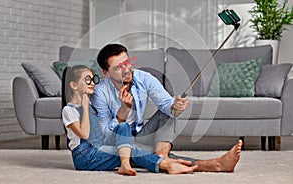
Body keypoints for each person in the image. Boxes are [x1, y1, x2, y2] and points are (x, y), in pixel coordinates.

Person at [91, 43, 243, 172]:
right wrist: (123, 111)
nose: (126, 69)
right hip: (118, 142)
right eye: (118, 67)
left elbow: (167, 106)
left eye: (127, 62)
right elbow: (105, 136)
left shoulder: (144, 78)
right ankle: (214, 165)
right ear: (106, 73)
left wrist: (175, 107)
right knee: (139, 153)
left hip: (141, 135)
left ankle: (162, 158)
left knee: (167, 113)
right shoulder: (100, 92)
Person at [61, 65, 198, 175]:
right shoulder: (69, 110)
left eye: (93, 79)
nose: (92, 83)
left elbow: (101, 133)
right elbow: (84, 134)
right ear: (73, 85)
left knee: (123, 128)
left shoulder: (90, 104)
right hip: (85, 157)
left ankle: (125, 164)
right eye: (87, 80)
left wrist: (111, 75)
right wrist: (84, 108)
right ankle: (165, 164)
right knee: (129, 150)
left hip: (99, 147)